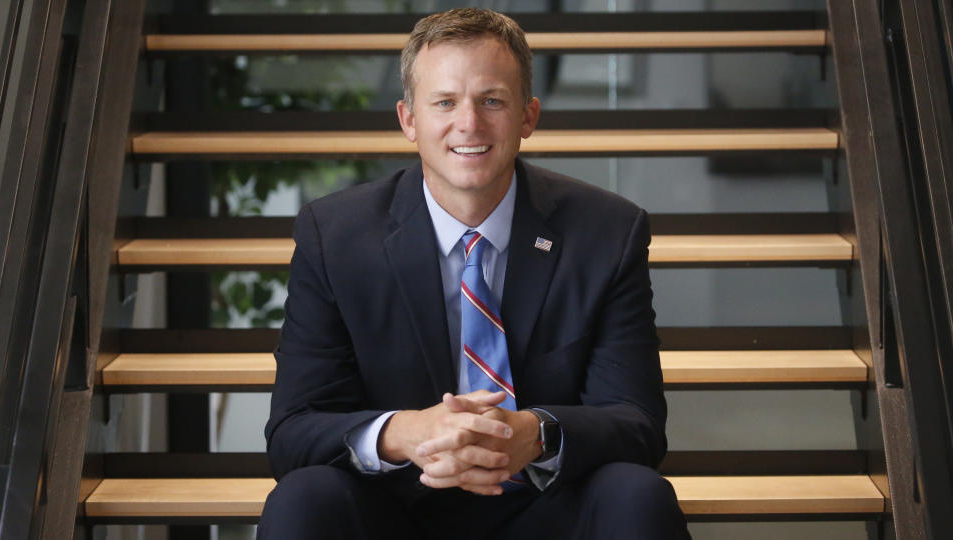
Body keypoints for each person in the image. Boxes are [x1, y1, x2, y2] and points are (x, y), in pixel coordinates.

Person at [258, 8, 690, 540]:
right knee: (301, 499)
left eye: (492, 100)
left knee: (638, 494)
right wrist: (406, 433)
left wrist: (533, 434)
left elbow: (637, 424)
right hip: (395, 509)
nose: (469, 124)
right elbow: (293, 432)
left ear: (528, 116)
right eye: (444, 102)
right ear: (408, 120)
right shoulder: (335, 236)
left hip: (548, 505)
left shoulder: (607, 232)